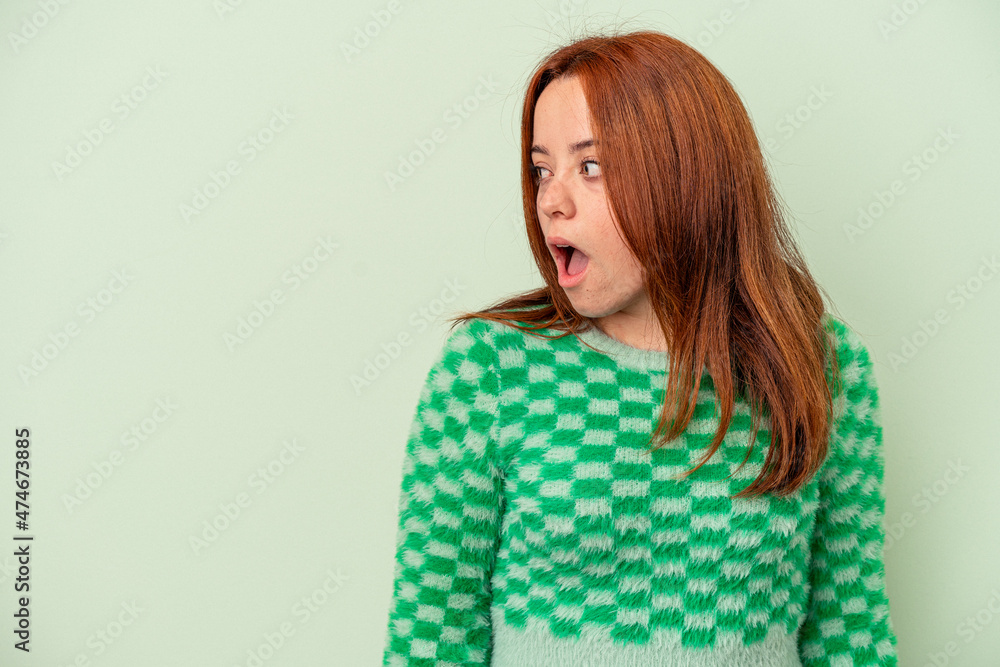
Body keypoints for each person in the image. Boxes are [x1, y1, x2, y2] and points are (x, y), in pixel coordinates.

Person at [381, 28, 899, 666]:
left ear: (687, 179)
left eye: (590, 167)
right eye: (542, 170)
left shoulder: (822, 365)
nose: (551, 201)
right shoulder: (490, 368)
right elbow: (429, 639)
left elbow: (850, 633)